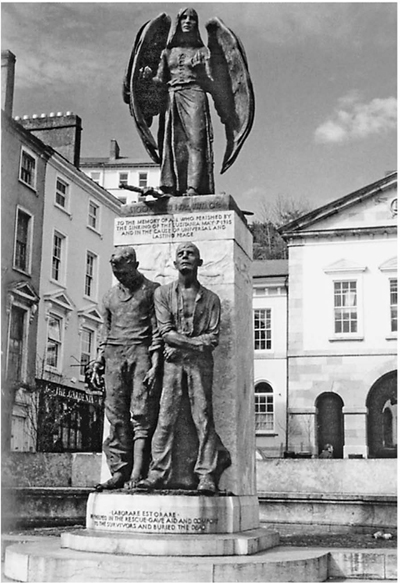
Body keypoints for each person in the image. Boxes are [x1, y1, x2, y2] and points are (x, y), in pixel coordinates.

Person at [138, 242, 230, 494]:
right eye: (181, 254)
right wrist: (189, 345)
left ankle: (206, 475)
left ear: (199, 263)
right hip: (172, 365)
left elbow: (212, 338)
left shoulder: (211, 299)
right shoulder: (163, 294)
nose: (186, 257)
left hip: (199, 365)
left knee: (203, 418)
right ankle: (157, 472)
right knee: (166, 416)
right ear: (175, 264)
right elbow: (166, 332)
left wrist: (182, 347)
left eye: (191, 254)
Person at [92, 246, 162, 490]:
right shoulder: (109, 296)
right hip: (114, 354)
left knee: (141, 413)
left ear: (135, 265)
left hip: (140, 351)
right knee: (116, 414)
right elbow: (105, 330)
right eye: (118, 274)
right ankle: (119, 469)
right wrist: (99, 359)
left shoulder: (152, 291)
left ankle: (138, 470)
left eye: (125, 273)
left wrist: (155, 363)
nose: (122, 278)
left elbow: (157, 331)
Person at [143, 8, 215, 196]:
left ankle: (194, 188)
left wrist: (201, 71)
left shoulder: (203, 51)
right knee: (172, 142)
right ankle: (170, 186)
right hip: (172, 96)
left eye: (192, 18)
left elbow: (212, 83)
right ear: (178, 22)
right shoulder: (168, 52)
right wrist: (147, 77)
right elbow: (160, 80)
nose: (188, 21)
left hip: (195, 94)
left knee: (196, 141)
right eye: (184, 17)